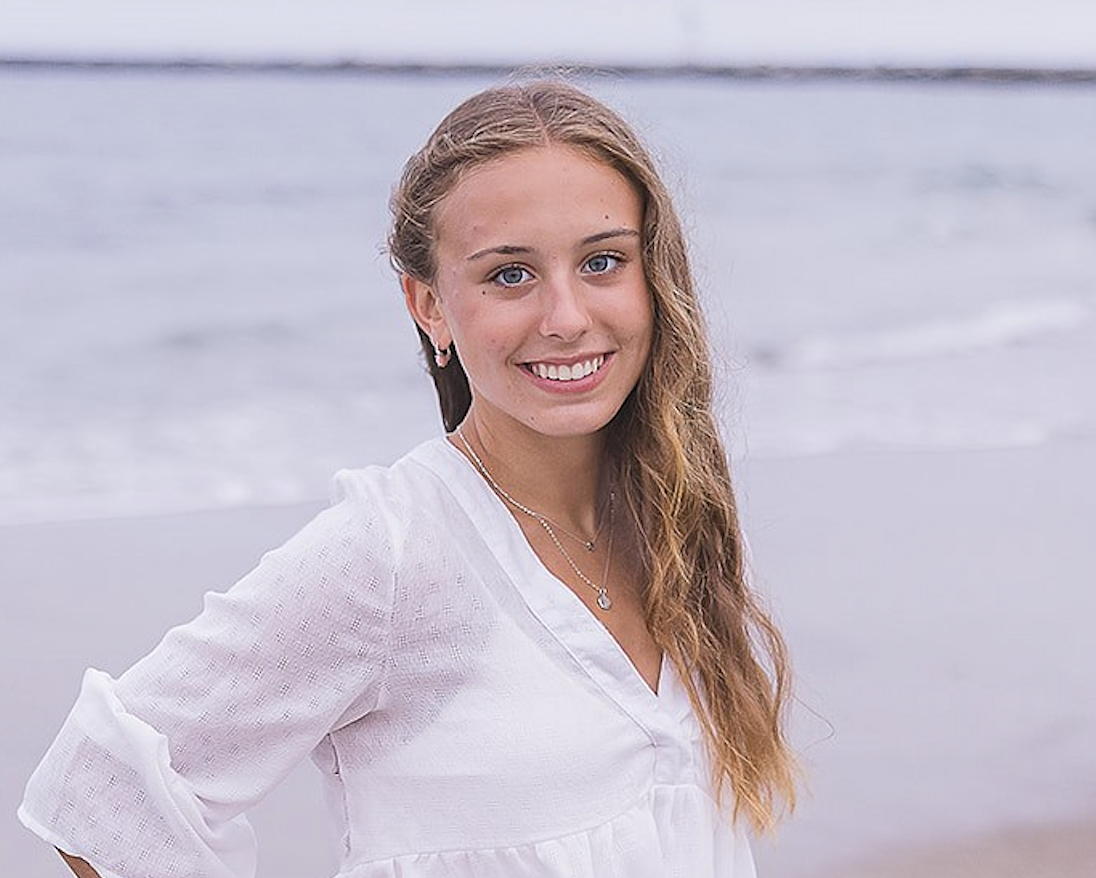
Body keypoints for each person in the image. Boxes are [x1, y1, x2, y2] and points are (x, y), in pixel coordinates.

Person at [19, 78, 796, 878]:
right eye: (510, 274)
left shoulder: (667, 517)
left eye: (603, 262)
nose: (566, 317)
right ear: (429, 306)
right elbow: (101, 790)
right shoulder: (394, 552)